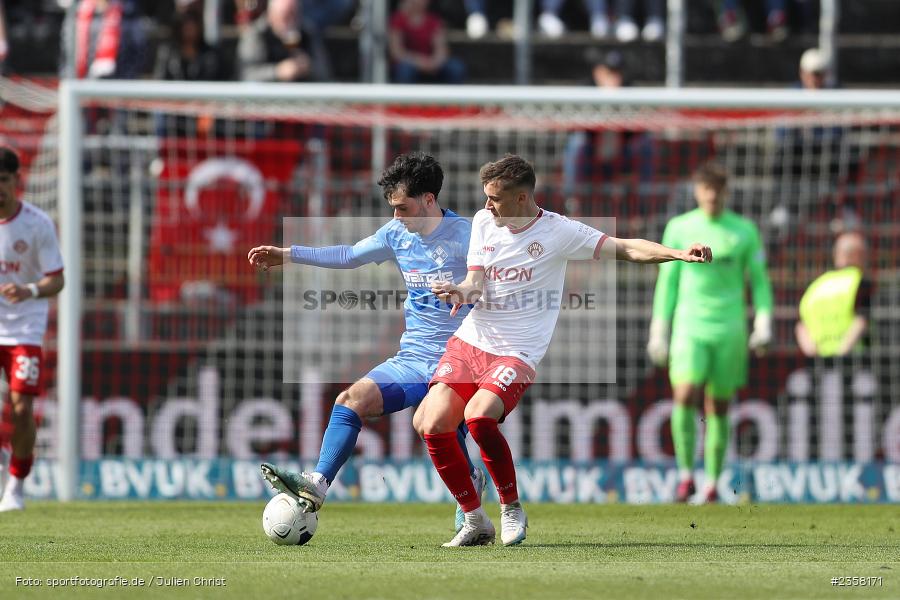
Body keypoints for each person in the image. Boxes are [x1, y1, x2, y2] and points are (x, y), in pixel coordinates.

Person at [415, 155, 712, 546]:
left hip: (518, 350)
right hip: (472, 340)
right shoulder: (485, 222)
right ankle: (474, 519)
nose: (487, 206)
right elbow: (476, 280)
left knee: (479, 418)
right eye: (485, 197)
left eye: (496, 198)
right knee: (430, 423)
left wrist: (676, 253)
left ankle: (510, 507)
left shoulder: (559, 232)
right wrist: (462, 291)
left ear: (522, 198)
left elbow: (625, 248)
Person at [249, 153, 485, 532]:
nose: (396, 218)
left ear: (429, 199)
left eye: (403, 208)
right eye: (392, 209)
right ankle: (319, 483)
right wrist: (289, 255)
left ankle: (472, 493)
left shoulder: (470, 235)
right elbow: (349, 255)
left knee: (441, 432)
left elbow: (501, 282)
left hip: (461, 358)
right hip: (413, 357)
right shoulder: (397, 235)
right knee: (350, 400)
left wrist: (467, 292)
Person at [647, 162, 773, 504]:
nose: (712, 195)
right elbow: (668, 282)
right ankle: (686, 476)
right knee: (685, 395)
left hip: (730, 328)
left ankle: (713, 484)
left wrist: (763, 322)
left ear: (725, 192)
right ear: (698, 191)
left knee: (718, 405)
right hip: (690, 326)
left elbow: (759, 281)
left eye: (718, 189)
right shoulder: (680, 227)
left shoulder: (743, 230)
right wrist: (659, 329)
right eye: (707, 189)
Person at [0, 147, 65, 512]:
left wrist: (29, 290)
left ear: (16, 181)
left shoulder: (37, 223)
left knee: (22, 408)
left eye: (3, 181)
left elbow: (57, 280)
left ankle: (16, 487)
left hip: (24, 330)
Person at [796, 231, 872, 358]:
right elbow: (861, 320)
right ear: (858, 255)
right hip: (855, 362)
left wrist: (813, 355)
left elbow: (801, 327)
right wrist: (841, 354)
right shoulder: (860, 282)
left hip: (818, 364)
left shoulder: (816, 285)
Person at [237, 0, 330, 82]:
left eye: (293, 14)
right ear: (271, 15)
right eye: (285, 15)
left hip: (300, 97)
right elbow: (246, 75)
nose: (290, 21)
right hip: (265, 98)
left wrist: (309, 68)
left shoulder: (306, 32)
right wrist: (277, 72)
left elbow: (324, 73)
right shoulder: (256, 34)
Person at [388, 0, 465, 84]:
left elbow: (441, 49)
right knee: (405, 69)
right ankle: (405, 96)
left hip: (431, 63)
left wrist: (434, 62)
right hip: (411, 63)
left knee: (455, 67)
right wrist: (420, 62)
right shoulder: (398, 20)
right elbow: (397, 52)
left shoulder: (434, 21)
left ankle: (451, 96)